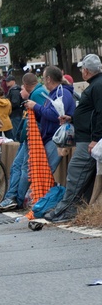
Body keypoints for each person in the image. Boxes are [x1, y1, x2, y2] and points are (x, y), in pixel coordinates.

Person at [44, 54, 102, 222]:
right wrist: (72, 118)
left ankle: (65, 210)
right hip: (88, 137)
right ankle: (74, 208)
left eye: (82, 69)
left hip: (89, 139)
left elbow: (99, 113)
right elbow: (92, 113)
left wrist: (95, 139)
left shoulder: (97, 86)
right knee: (83, 174)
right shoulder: (95, 85)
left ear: (86, 71)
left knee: (76, 171)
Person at [0, 73, 52, 211]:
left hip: (33, 137)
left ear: (25, 85)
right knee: (17, 166)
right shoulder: (40, 92)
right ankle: (12, 197)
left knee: (23, 168)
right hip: (29, 137)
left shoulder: (37, 94)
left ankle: (16, 199)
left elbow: (39, 117)